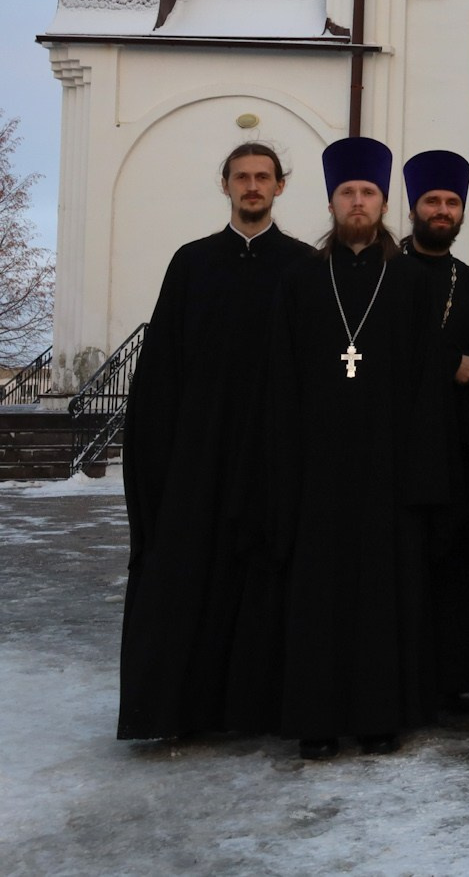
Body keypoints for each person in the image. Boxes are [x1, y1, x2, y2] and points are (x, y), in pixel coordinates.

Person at [117, 142, 314, 741]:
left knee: (266, 580)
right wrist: (161, 459)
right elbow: (161, 372)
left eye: (263, 177)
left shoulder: (304, 267)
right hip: (200, 459)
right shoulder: (192, 263)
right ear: (224, 185)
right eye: (241, 177)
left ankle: (264, 709)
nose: (252, 186)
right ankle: (187, 710)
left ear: (281, 186)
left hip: (274, 455)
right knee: (191, 579)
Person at [266, 137, 451, 760]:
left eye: (368, 192)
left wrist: (423, 472)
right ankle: (316, 720)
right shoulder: (299, 280)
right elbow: (281, 379)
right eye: (347, 192)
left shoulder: (412, 282)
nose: (357, 202)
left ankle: (379, 716)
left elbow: (431, 383)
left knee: (383, 594)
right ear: (331, 201)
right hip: (317, 468)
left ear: (383, 201)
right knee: (316, 594)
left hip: (389, 469)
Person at [398, 149, 469, 716]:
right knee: (402, 563)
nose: (442, 211)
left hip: (455, 447)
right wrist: (446, 364)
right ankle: (404, 675)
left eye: (452, 203)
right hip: (395, 448)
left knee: (450, 566)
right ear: (414, 209)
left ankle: (451, 679)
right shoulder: (385, 273)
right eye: (433, 202)